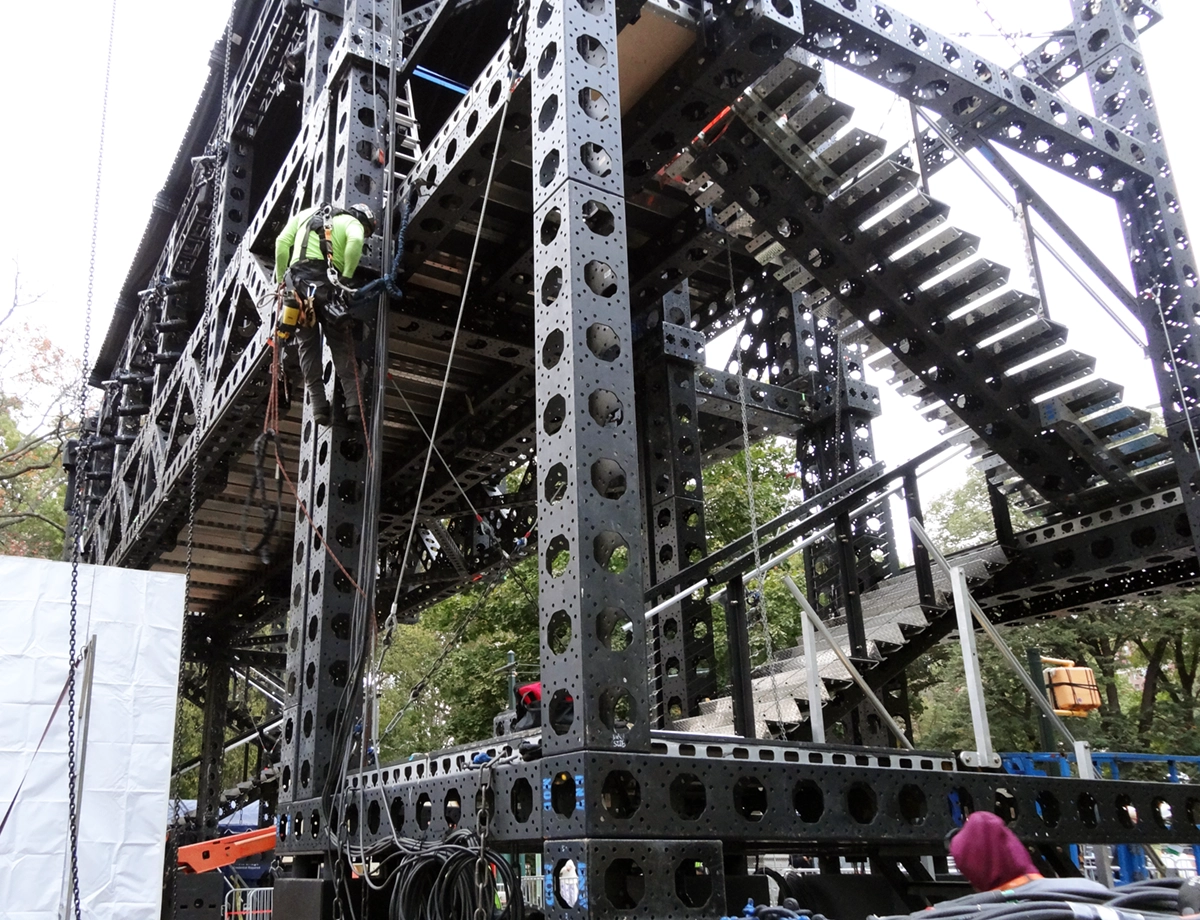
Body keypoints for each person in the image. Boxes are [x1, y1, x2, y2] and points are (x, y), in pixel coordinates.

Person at [274, 202, 377, 426]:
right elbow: (355, 241)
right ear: (363, 219)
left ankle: (319, 407)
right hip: (327, 287)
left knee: (307, 348)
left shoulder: (304, 214)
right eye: (368, 230)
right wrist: (346, 277)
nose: (365, 234)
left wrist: (282, 282)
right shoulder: (352, 222)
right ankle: (354, 406)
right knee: (341, 346)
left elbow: (281, 243)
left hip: (298, 290)